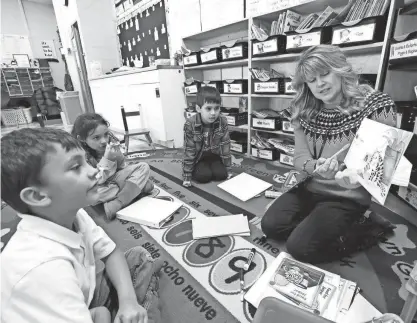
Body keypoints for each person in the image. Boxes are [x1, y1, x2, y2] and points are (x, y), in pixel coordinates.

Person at [1, 128, 162, 323]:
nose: (94, 171)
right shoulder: (44, 269)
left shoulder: (75, 214)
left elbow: (111, 252)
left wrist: (128, 302)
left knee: (139, 256)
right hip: (65, 306)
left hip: (85, 293)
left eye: (85, 161)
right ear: (37, 196)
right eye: (76, 166)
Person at [261, 44, 397, 264]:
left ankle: (366, 228)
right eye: (312, 80)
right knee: (270, 226)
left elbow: (380, 171)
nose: (320, 83)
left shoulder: (376, 105)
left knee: (299, 248)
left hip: (346, 197)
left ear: (341, 70)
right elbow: (300, 159)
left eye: (325, 74)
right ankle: (319, 223)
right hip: (310, 187)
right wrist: (315, 168)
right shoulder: (302, 109)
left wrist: (349, 177)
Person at [71, 113, 154, 220]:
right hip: (99, 186)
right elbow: (97, 180)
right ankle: (132, 192)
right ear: (82, 138)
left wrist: (118, 156)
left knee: (143, 167)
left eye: (106, 134)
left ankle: (118, 202)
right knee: (91, 196)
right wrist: (106, 158)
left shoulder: (110, 145)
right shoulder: (81, 155)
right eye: (96, 137)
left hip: (114, 181)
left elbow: (121, 168)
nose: (104, 141)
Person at [182, 86, 232, 187]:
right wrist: (187, 176)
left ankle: (213, 167)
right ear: (198, 108)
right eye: (208, 108)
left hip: (215, 156)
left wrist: (228, 169)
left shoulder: (223, 121)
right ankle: (201, 169)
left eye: (217, 108)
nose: (213, 113)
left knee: (221, 175)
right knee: (203, 177)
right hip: (199, 158)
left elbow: (225, 147)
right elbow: (189, 150)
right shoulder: (190, 124)